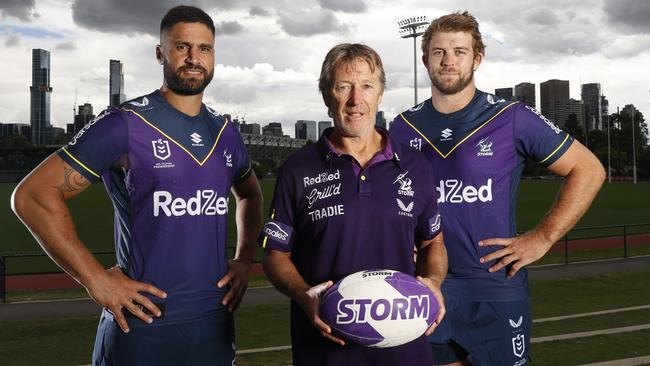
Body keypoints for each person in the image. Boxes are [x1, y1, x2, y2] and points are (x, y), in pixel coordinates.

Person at [11, 5, 262, 366]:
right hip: (141, 327)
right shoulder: (124, 124)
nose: (194, 58)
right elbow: (33, 196)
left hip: (214, 325)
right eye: (182, 47)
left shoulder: (225, 133)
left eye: (204, 48)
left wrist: (244, 260)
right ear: (160, 52)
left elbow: (250, 194)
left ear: (213, 55)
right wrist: (96, 279)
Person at [389, 11, 605, 366]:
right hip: (425, 288)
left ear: (477, 59)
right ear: (425, 57)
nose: (448, 61)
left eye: (459, 51)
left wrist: (544, 236)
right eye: (438, 51)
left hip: (494, 287)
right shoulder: (402, 127)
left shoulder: (511, 116)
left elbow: (589, 169)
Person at [260, 43, 448, 366]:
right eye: (343, 86)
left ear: (380, 93)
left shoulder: (416, 166)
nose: (355, 100)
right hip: (324, 353)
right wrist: (305, 296)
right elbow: (275, 255)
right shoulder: (298, 169)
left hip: (405, 352)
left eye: (366, 86)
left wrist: (432, 281)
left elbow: (433, 242)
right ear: (326, 95)